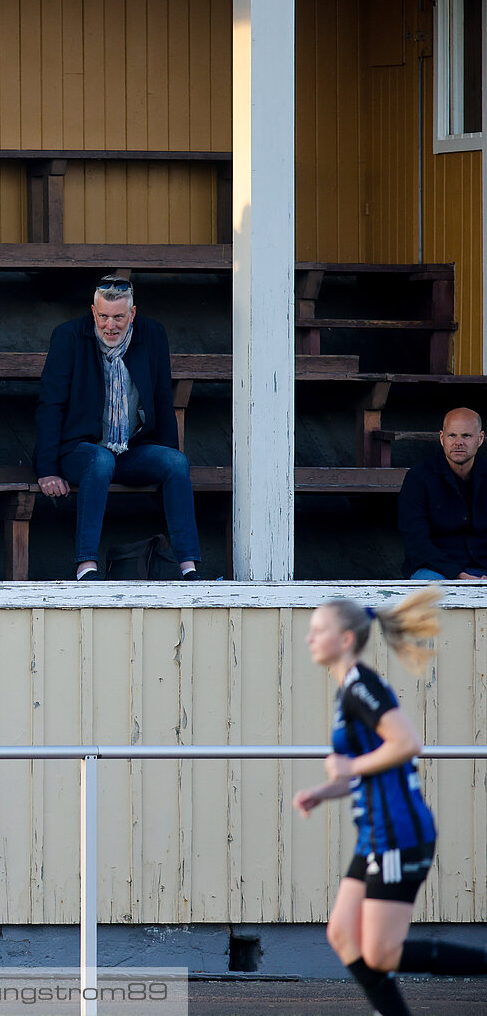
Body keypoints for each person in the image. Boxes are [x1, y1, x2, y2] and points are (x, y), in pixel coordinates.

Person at [293, 589, 487, 1016]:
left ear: (346, 640)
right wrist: (324, 791)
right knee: (343, 935)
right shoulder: (349, 690)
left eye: (319, 630)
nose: (309, 638)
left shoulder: (362, 686)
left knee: (381, 953)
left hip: (398, 833)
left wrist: (349, 766)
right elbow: (371, 768)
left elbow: (406, 744)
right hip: (375, 834)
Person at [35, 277, 201, 581]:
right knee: (100, 459)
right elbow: (50, 404)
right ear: (93, 312)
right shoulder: (68, 336)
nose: (110, 325)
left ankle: (187, 566)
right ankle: (86, 565)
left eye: (119, 317)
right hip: (80, 449)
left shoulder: (153, 335)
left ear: (133, 314)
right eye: (103, 316)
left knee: (176, 462)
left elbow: (163, 400)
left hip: (131, 447)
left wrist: (165, 458)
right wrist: (46, 469)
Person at [398, 407, 487, 580]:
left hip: (483, 568)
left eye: (466, 436)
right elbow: (416, 543)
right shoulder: (419, 478)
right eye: (452, 435)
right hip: (436, 570)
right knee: (428, 589)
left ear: (480, 438)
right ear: (441, 438)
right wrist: (460, 576)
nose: (458, 442)